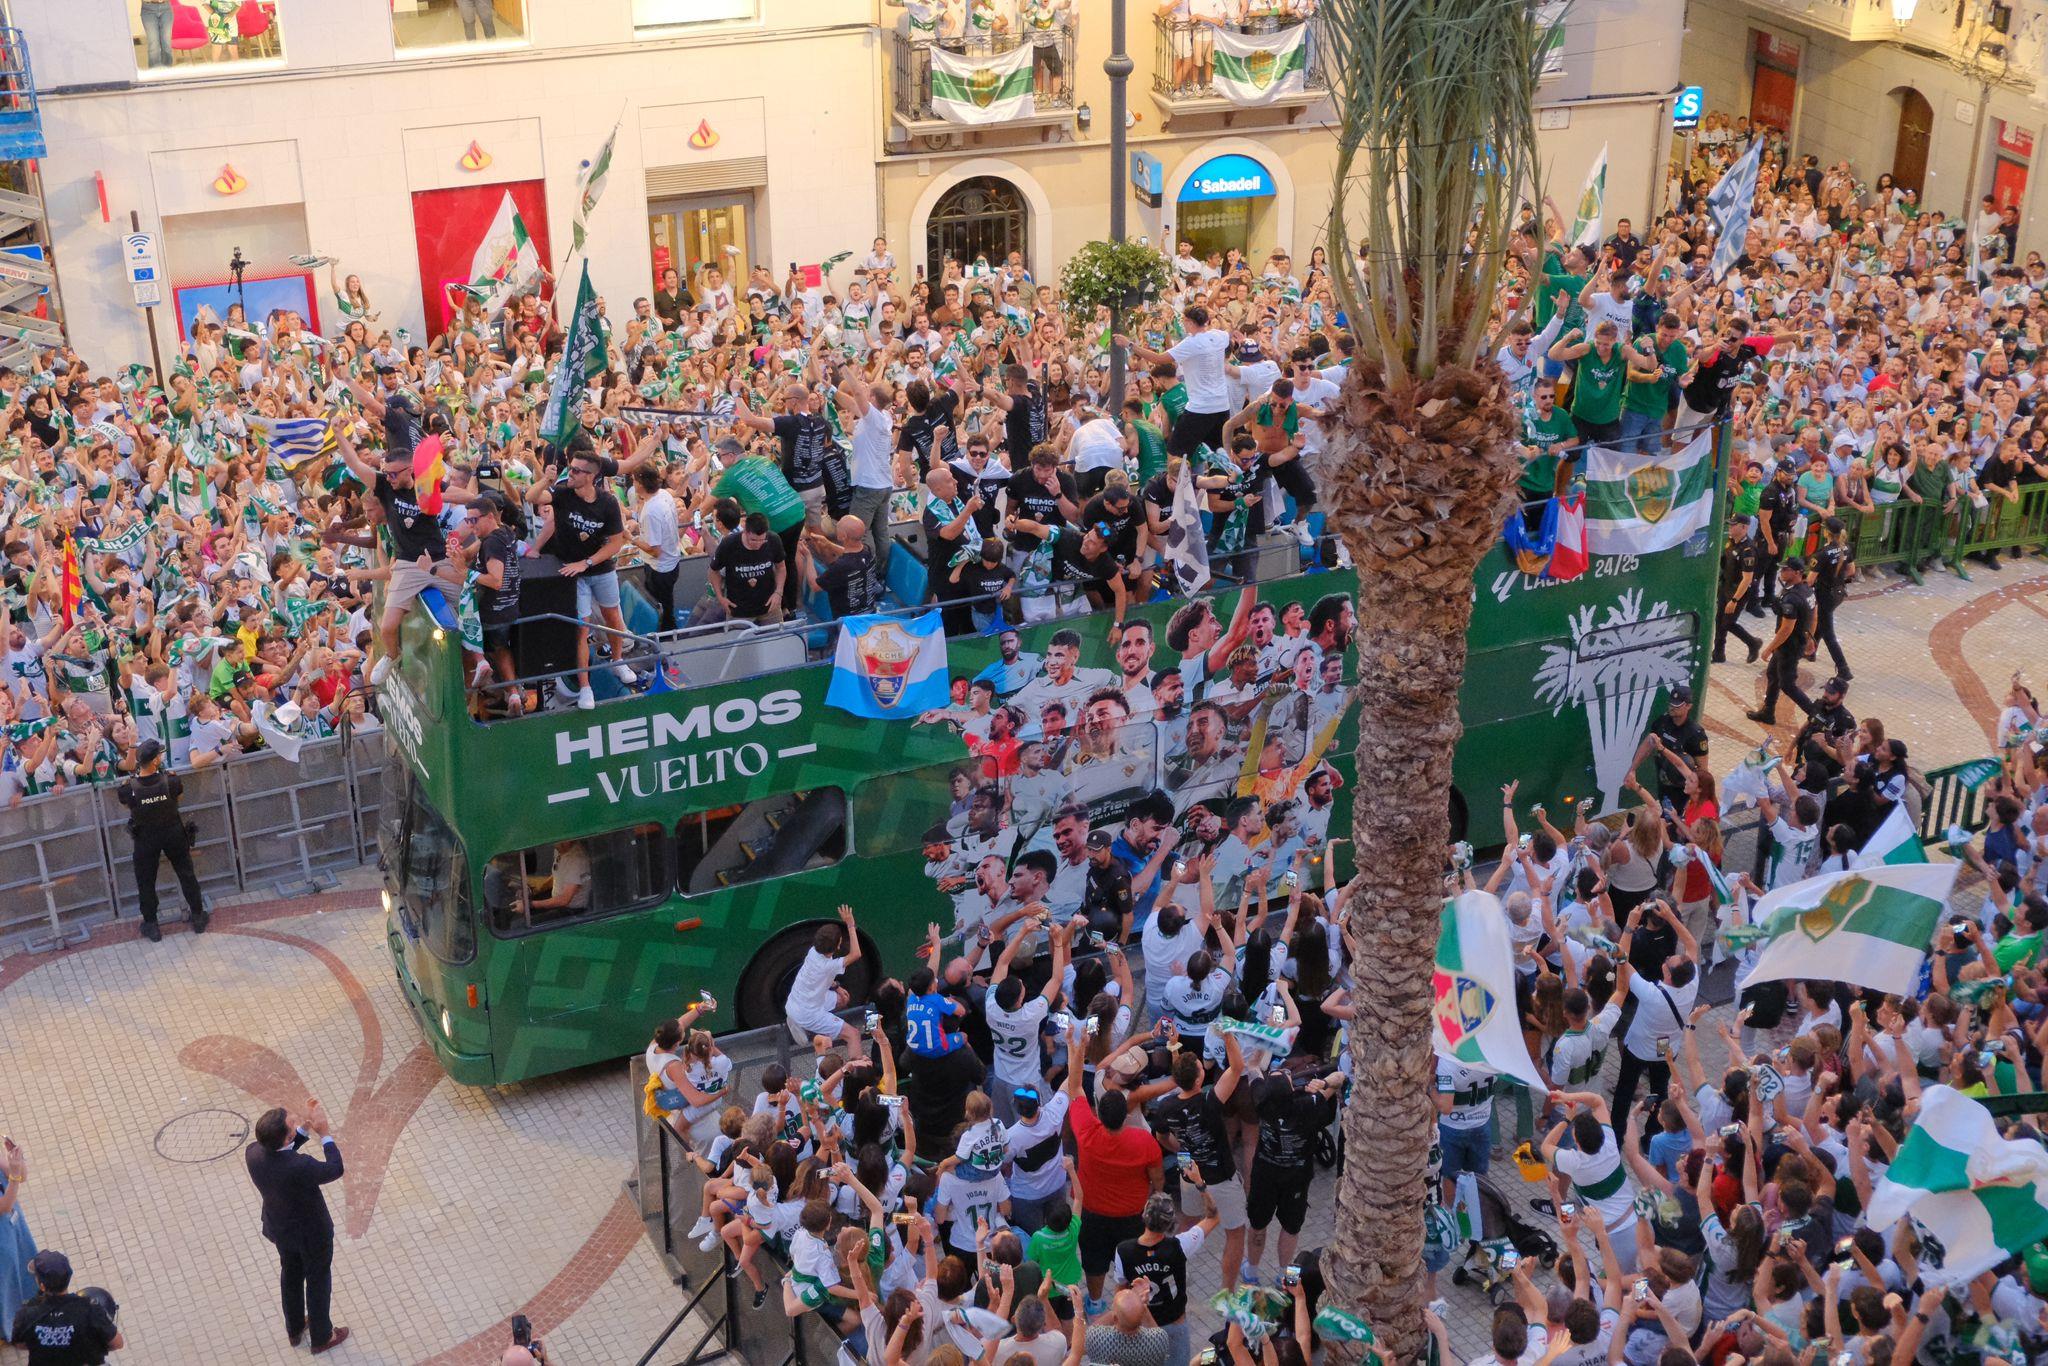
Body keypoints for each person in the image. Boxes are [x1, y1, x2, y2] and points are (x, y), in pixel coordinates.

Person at [243, 1101, 349, 1354]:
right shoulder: (301, 1167)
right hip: (312, 1233)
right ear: (286, 1137)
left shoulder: (253, 1153)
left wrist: (302, 1131)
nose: (295, 1120)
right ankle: (322, 1335)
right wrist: (324, 1134)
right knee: (317, 1278)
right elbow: (335, 1169)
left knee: (290, 1274)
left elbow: (281, 1153)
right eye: (293, 1124)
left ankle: (294, 1328)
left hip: (281, 1229)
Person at [114, 738, 205, 942]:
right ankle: (198, 917)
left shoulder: (128, 788)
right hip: (173, 834)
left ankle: (151, 925)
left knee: (146, 882)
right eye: (159, 755)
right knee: (186, 874)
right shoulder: (171, 781)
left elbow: (127, 805)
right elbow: (177, 798)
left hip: (146, 839)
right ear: (155, 760)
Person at [8, 1251, 123, 1366]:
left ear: (42, 1286)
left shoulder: (26, 1314)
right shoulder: (90, 1309)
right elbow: (118, 1343)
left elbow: (20, 1344)